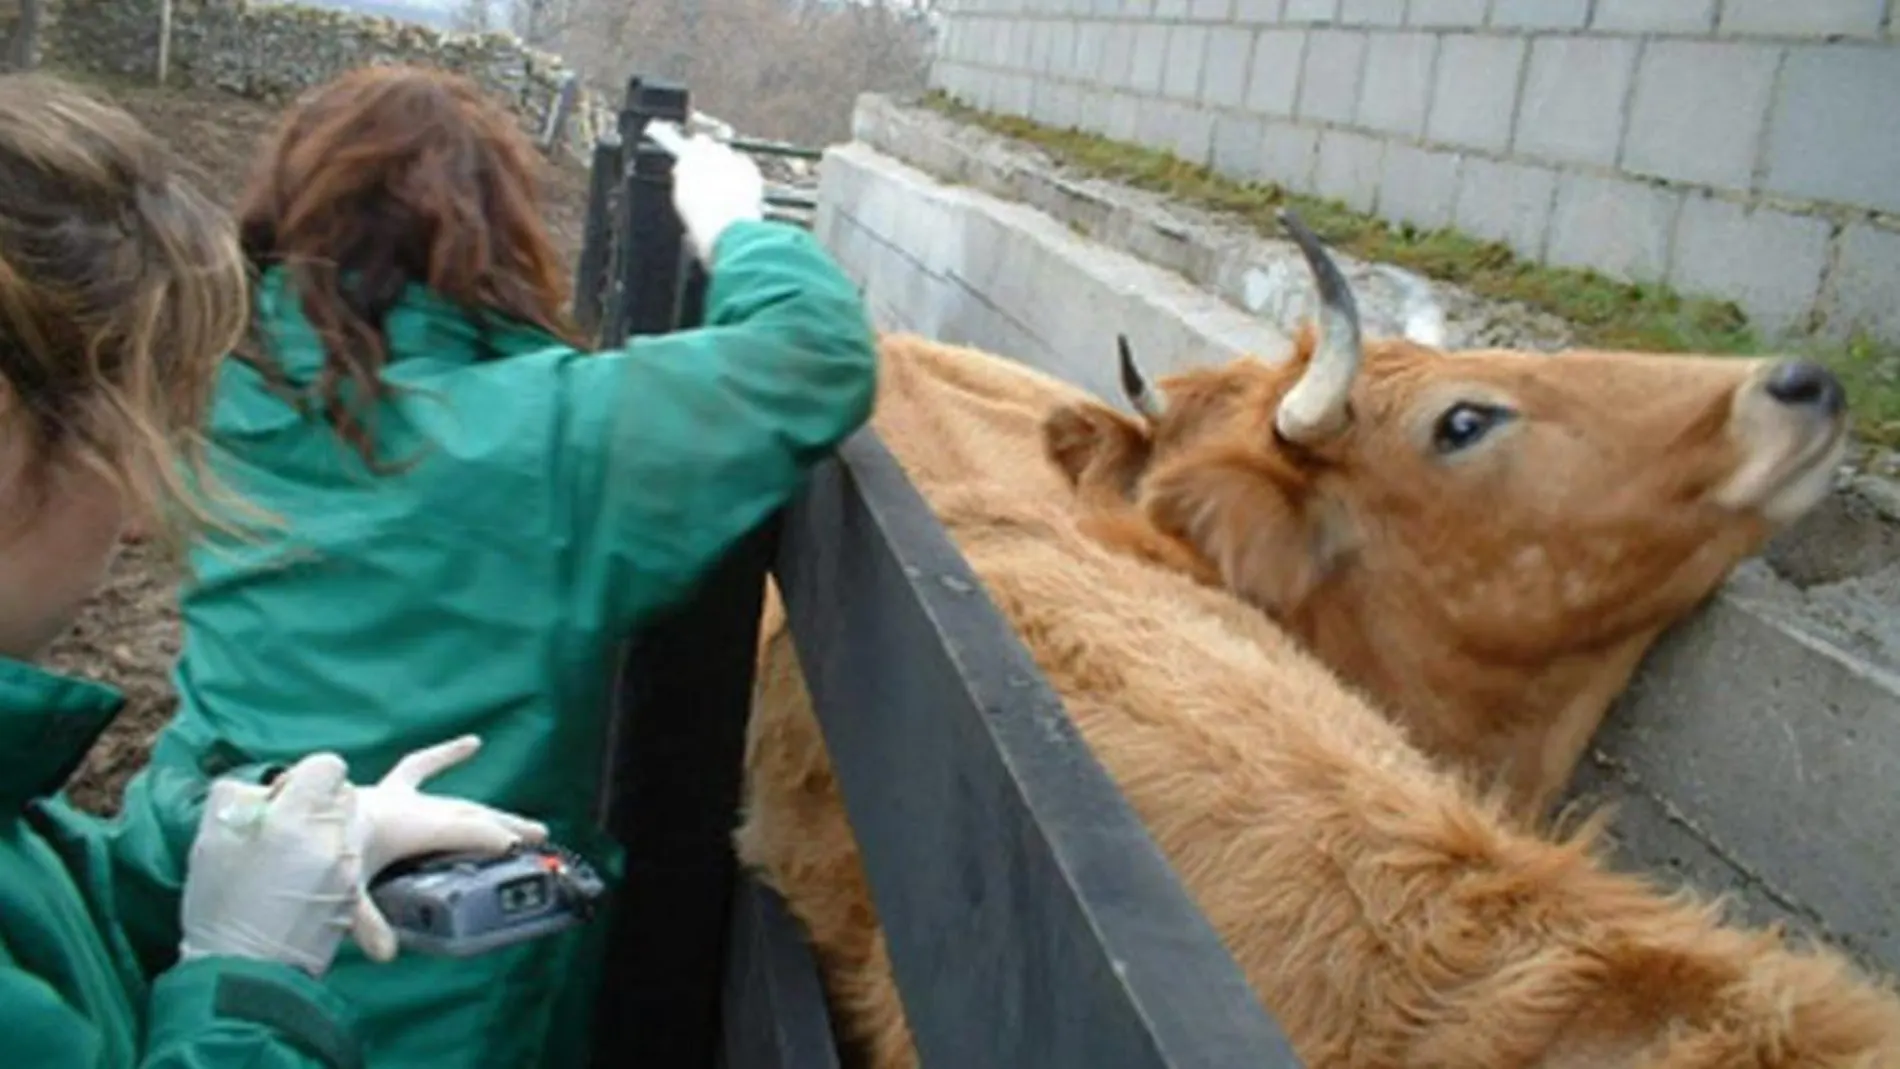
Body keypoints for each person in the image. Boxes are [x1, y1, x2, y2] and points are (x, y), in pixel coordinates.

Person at [125, 64, 879, 1067]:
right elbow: (817, 352)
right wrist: (737, 226)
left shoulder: (200, 393)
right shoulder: (556, 430)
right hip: (452, 988)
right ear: (495, 234)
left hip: (197, 929)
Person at [0, 72, 549, 1067]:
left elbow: (41, 903)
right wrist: (246, 981)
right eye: (132, 451)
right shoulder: (566, 414)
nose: (137, 523)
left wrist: (228, 835)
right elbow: (807, 359)